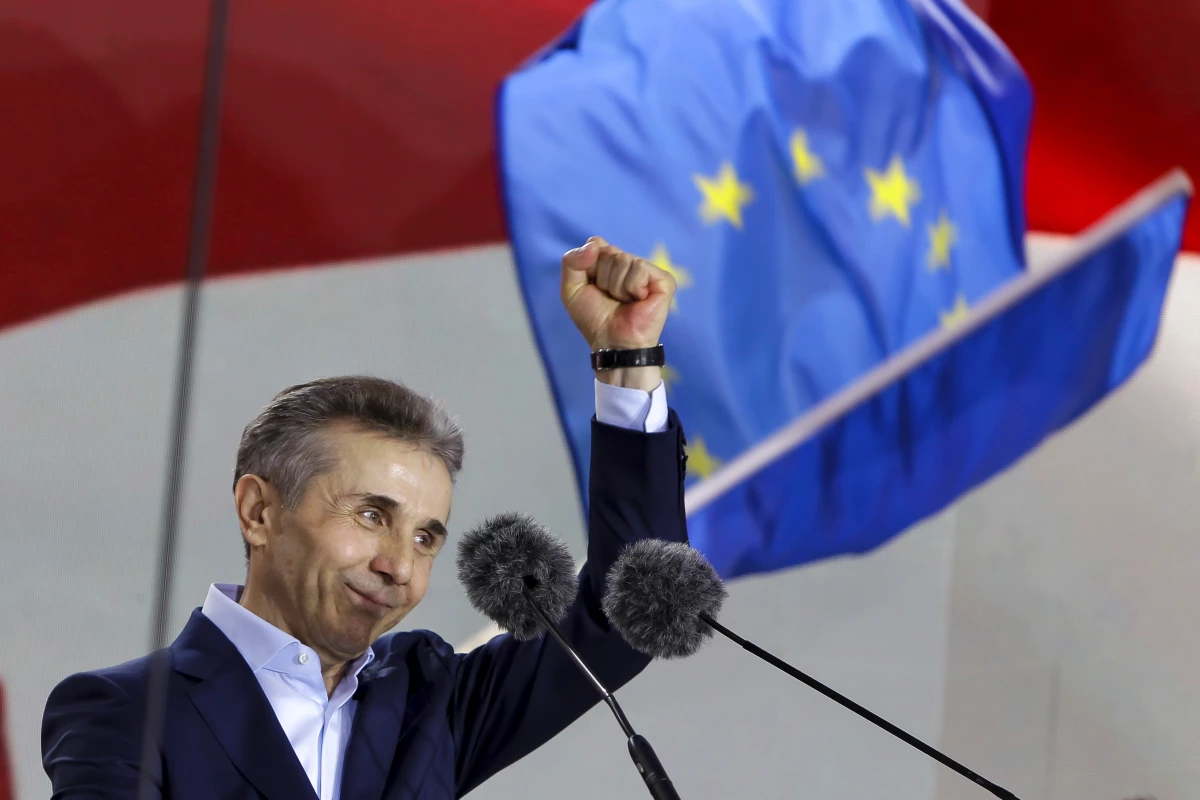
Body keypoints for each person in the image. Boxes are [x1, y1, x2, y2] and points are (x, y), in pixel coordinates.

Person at [41, 238, 688, 800]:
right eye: (372, 514)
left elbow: (629, 614)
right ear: (259, 511)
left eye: (426, 536)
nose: (399, 566)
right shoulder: (124, 711)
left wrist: (626, 358)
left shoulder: (426, 702)